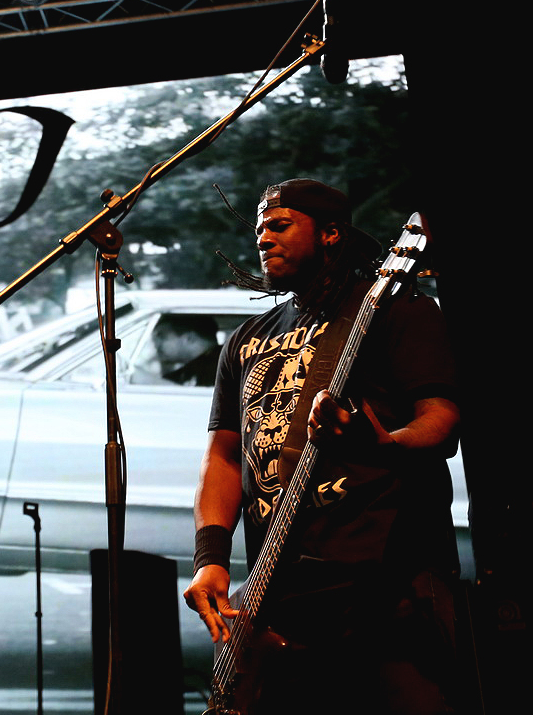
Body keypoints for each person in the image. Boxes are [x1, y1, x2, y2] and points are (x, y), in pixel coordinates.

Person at [183, 179, 461, 714]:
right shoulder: (246, 339)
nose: (263, 238)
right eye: (259, 228)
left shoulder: (397, 312)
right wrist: (210, 560)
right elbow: (224, 457)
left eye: (280, 225)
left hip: (386, 586)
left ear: (331, 233)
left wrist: (384, 444)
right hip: (280, 589)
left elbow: (441, 421)